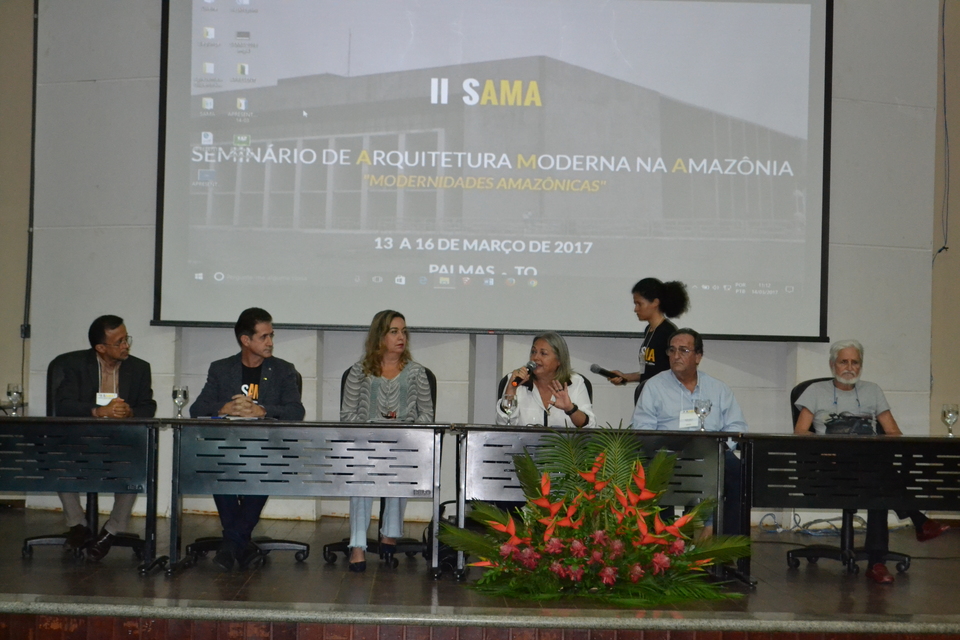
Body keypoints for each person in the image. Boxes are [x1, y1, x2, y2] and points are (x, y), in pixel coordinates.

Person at [793, 339, 950, 584]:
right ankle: (908, 532)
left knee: (876, 479)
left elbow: (894, 433)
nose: (849, 367)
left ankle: (879, 561)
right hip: (831, 468)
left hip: (868, 466)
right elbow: (800, 432)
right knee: (879, 477)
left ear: (861, 365)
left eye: (855, 362)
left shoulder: (872, 391)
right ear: (833, 365)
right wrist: (825, 449)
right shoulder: (816, 392)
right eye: (844, 361)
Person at [190, 307, 305, 571]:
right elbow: (197, 409)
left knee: (264, 469)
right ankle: (239, 542)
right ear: (246, 340)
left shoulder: (283, 370)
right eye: (264, 337)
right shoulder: (221, 369)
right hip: (227, 449)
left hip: (267, 449)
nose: (270, 342)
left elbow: (296, 412)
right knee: (216, 465)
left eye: (271, 336)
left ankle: (231, 544)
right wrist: (224, 408)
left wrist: (262, 410)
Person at [50, 315, 157, 560]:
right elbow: (63, 404)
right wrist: (97, 411)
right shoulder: (75, 365)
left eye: (126, 339)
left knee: (137, 464)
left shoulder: (139, 368)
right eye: (119, 342)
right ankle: (78, 524)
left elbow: (148, 406)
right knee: (56, 458)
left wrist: (130, 411)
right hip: (80, 439)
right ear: (100, 348)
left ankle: (111, 531)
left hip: (122, 441)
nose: (126, 346)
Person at [341, 310, 434, 572]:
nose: (401, 337)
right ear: (379, 336)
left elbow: (427, 416)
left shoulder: (416, 373)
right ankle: (358, 545)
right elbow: (347, 416)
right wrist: (371, 433)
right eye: (394, 331)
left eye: (403, 331)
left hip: (403, 445)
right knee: (361, 473)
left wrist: (404, 431)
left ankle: (389, 535)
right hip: (365, 446)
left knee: (400, 463)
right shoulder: (359, 371)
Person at [631, 328, 746, 534]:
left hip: (711, 454)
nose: (676, 356)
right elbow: (642, 429)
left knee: (739, 473)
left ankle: (725, 542)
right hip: (668, 453)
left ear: (698, 356)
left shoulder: (718, 389)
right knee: (654, 471)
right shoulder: (654, 387)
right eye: (672, 350)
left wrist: (719, 449)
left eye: (683, 350)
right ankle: (663, 544)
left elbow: (736, 427)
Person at [497, 332, 597, 429]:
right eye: (533, 352)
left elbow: (590, 427)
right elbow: (503, 425)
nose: (535, 358)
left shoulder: (576, 382)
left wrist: (570, 409)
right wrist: (511, 389)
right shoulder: (515, 379)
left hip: (566, 446)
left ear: (559, 360)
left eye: (543, 353)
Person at [608, 278, 690, 388]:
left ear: (655, 302)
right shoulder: (649, 330)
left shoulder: (668, 333)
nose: (635, 309)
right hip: (649, 393)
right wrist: (625, 377)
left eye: (639, 304)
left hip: (662, 396)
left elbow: (676, 371)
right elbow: (649, 372)